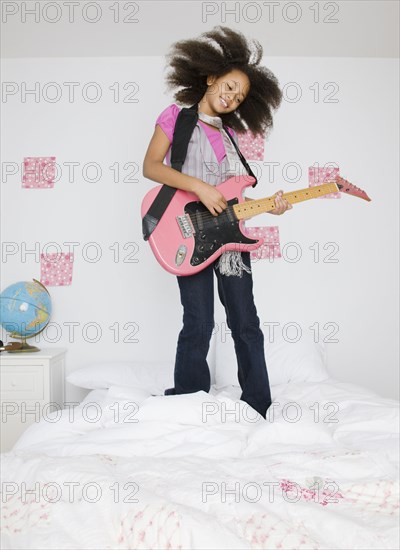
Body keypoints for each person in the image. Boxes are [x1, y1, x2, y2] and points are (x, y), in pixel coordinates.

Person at [142, 26, 292, 419]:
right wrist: (198, 187)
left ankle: (258, 405)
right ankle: (188, 400)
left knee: (246, 320)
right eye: (229, 86)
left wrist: (268, 206)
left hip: (228, 239)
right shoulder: (176, 116)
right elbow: (151, 167)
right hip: (187, 232)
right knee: (199, 320)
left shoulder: (229, 137)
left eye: (239, 96)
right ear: (210, 77)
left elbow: (232, 199)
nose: (232, 97)